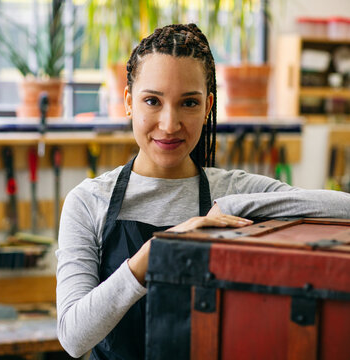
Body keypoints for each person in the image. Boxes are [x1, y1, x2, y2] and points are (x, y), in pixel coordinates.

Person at [55, 23, 350, 359]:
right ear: (128, 102)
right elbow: (73, 337)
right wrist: (158, 251)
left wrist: (233, 204)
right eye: (152, 100)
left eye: (189, 103)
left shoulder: (232, 191)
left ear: (208, 106)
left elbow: (343, 206)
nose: (169, 124)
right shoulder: (89, 201)